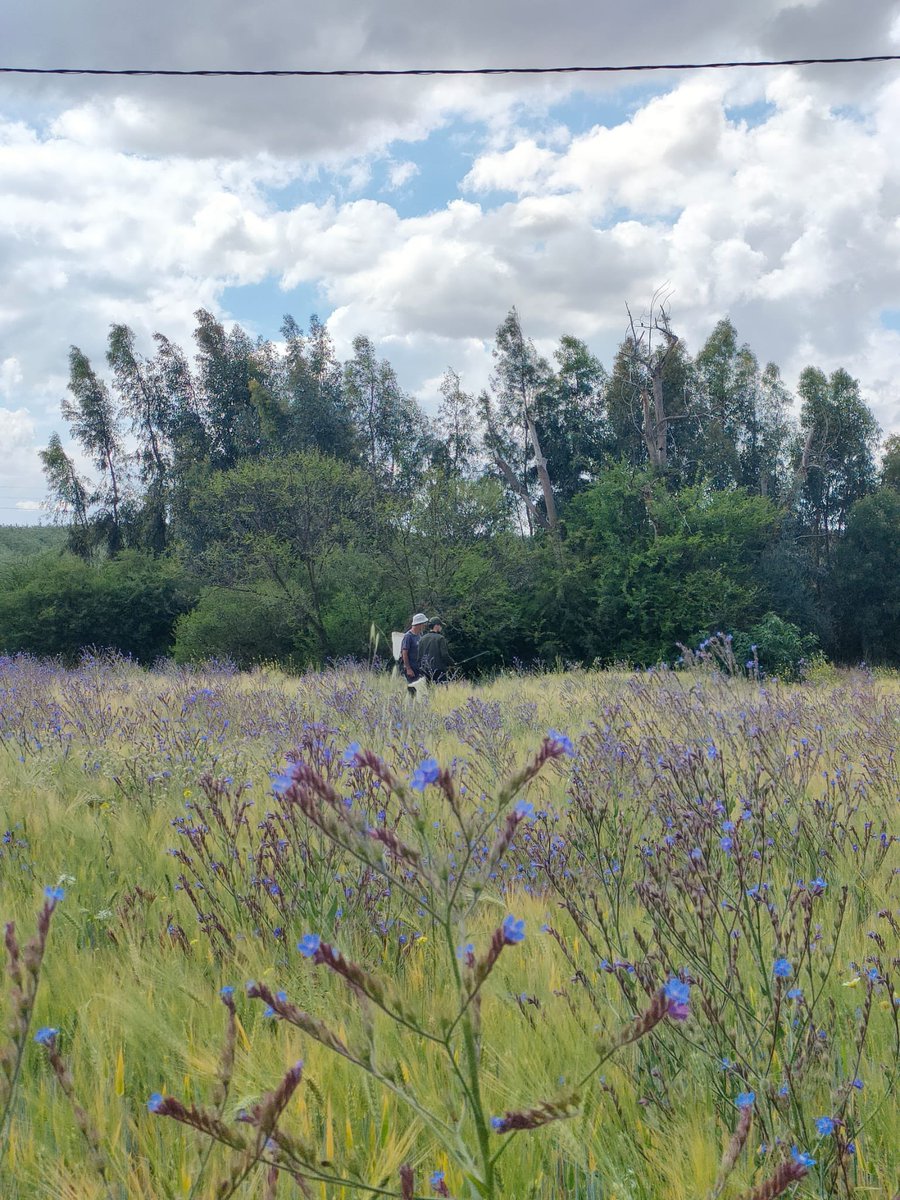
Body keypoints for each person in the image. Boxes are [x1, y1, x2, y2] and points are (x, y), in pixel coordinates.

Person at [400, 612, 429, 694]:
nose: (424, 625)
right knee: (412, 690)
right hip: (411, 668)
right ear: (419, 624)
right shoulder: (408, 636)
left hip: (419, 668)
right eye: (423, 623)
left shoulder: (420, 635)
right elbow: (404, 653)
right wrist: (408, 668)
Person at [419, 619, 452, 683]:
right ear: (436, 626)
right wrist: (452, 663)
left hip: (425, 670)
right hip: (439, 670)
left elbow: (419, 657)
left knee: (428, 690)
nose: (441, 628)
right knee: (441, 690)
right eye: (440, 625)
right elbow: (444, 655)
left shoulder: (422, 639)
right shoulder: (440, 638)